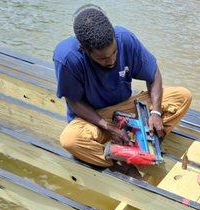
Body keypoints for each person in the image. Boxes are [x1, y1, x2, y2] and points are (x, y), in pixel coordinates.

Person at [53, 5, 192, 169]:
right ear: (83, 49)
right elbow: (74, 102)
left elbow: (153, 74)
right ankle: (122, 162)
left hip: (125, 108)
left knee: (182, 96)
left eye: (114, 53)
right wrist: (109, 128)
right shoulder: (68, 58)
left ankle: (142, 141)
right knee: (71, 140)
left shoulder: (125, 38)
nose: (111, 60)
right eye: (103, 58)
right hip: (94, 118)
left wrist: (155, 112)